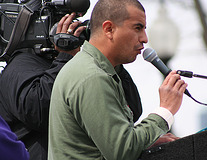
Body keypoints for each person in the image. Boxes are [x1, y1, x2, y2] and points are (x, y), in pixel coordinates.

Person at [48, 0, 188, 159]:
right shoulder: (92, 77)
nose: (144, 38)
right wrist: (165, 111)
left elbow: (117, 144)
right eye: (137, 28)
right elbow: (122, 152)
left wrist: (145, 141)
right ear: (109, 29)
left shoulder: (93, 70)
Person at [0, 12, 143, 160]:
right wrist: (66, 56)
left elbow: (131, 112)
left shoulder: (88, 68)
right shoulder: (19, 66)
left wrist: (110, 60)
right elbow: (39, 113)